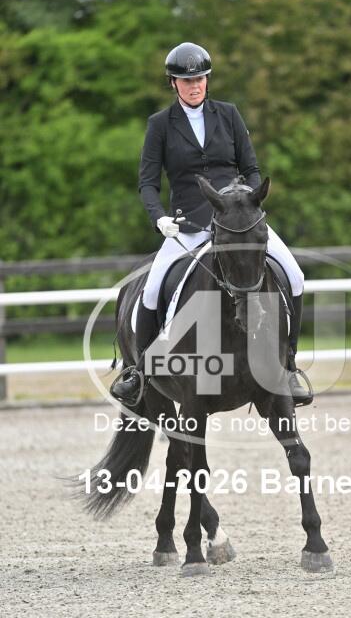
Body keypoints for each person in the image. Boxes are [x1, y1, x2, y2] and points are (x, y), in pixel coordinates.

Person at [111, 42, 310, 406]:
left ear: (207, 79)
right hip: (188, 224)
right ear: (173, 83)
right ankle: (139, 372)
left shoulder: (229, 114)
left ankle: (290, 365)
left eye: (200, 79)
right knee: (152, 290)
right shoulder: (160, 125)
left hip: (236, 220)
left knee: (294, 276)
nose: (195, 85)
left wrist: (245, 198)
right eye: (187, 81)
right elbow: (147, 183)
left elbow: (251, 169)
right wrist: (159, 218)